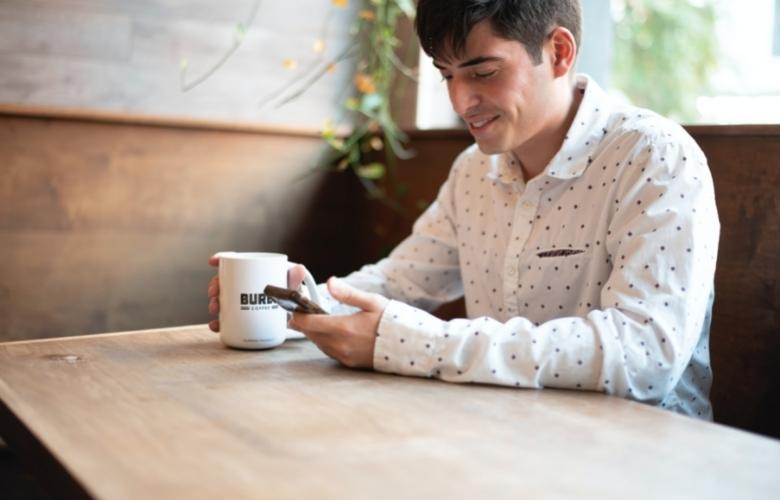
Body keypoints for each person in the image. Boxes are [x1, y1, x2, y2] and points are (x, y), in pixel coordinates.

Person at [207, 0, 719, 419]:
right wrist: (287, 302)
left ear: (559, 52)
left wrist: (416, 344)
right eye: (446, 75)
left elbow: (646, 355)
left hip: (648, 457)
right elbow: (399, 283)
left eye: (483, 72)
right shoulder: (475, 170)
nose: (461, 100)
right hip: (505, 438)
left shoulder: (654, 157)